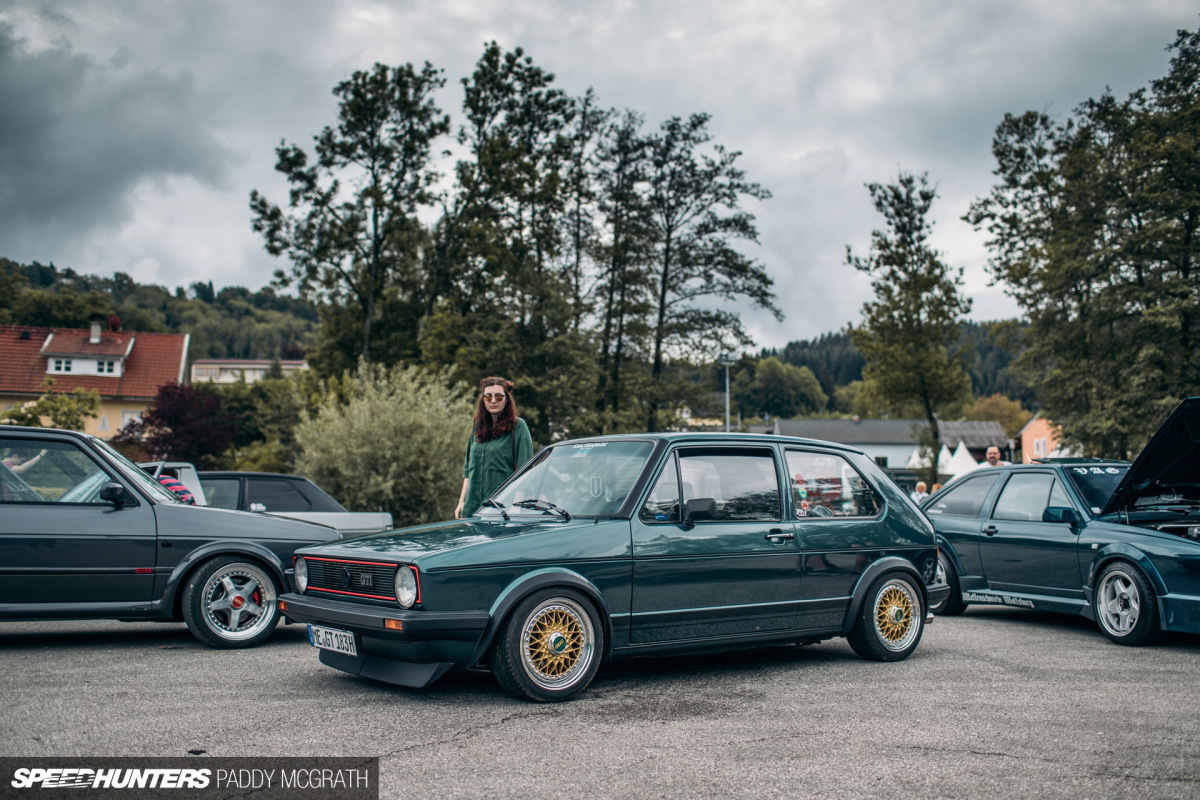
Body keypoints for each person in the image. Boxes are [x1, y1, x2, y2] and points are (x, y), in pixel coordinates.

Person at [455, 377, 534, 519]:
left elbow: (525, 471)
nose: (493, 401)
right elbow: (468, 469)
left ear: (507, 399)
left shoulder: (518, 427)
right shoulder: (477, 427)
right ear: (482, 400)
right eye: (488, 396)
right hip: (472, 510)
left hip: (502, 511)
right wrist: (462, 502)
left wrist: (516, 506)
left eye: (498, 397)